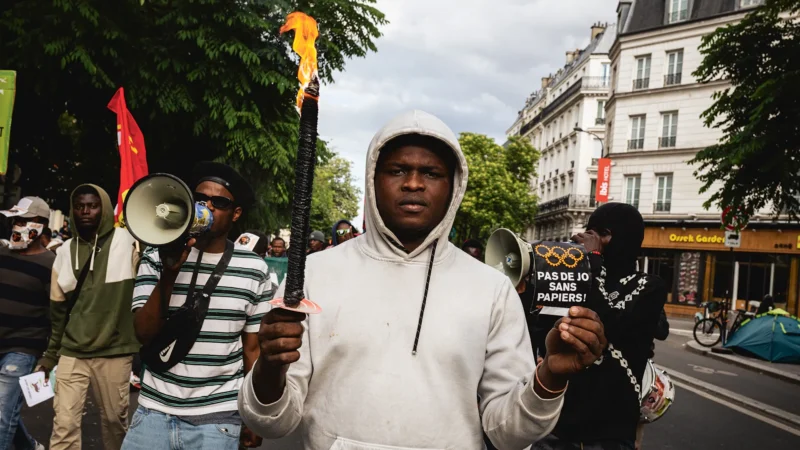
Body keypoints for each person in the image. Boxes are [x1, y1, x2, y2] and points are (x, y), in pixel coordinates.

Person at [239, 110, 606, 449]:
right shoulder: (313, 276)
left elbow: (506, 431)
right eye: (397, 170)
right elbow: (275, 422)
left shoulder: (491, 289)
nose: (413, 183)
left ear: (453, 187)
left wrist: (548, 379)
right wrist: (270, 367)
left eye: (431, 174)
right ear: (373, 179)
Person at [123, 162, 271, 450]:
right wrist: (169, 273)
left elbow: (252, 349)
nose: (207, 207)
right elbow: (142, 333)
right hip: (153, 410)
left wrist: (256, 416)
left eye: (219, 202)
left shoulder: (255, 269)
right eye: (200, 200)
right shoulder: (156, 254)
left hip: (218, 418)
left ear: (236, 213)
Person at [532, 202, 668, 450]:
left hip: (610, 434)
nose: (588, 238)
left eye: (600, 233)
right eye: (588, 231)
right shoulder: (577, 277)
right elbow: (542, 340)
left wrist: (591, 262)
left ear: (621, 237)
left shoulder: (650, 285)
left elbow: (609, 323)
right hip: (555, 427)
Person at [38, 185, 140, 450]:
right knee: (63, 426)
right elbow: (58, 313)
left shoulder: (129, 242)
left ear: (104, 208)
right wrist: (50, 356)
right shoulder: (63, 251)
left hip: (115, 350)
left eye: (92, 205)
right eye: (79, 205)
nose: (85, 211)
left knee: (114, 424)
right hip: (72, 351)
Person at [0, 197, 54, 450]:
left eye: (23, 221)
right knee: (5, 410)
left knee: (1, 414)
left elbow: (57, 312)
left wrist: (49, 357)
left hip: (22, 348)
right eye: (15, 220)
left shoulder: (51, 264)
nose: (16, 226)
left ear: (40, 225)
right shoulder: (2, 253)